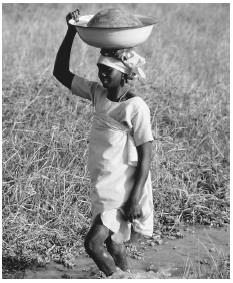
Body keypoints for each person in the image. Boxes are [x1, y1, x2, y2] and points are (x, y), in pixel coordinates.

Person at [53, 9, 154, 277]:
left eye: (108, 71)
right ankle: (129, 277)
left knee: (93, 243)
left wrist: (134, 199)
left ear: (124, 74)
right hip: (102, 183)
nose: (102, 76)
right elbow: (61, 72)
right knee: (113, 242)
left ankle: (117, 279)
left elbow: (146, 157)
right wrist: (70, 32)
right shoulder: (98, 95)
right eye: (100, 70)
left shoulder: (136, 107)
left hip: (121, 189)